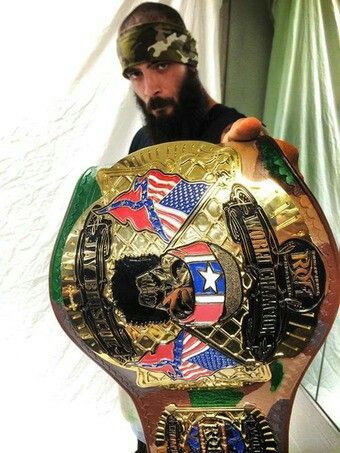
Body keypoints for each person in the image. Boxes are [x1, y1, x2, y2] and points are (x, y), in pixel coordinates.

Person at [115, 3, 297, 452]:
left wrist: (269, 160)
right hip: (162, 350)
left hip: (227, 347)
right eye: (136, 74)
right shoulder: (144, 144)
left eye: (160, 66)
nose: (150, 88)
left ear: (188, 61)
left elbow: (282, 190)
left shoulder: (230, 134)